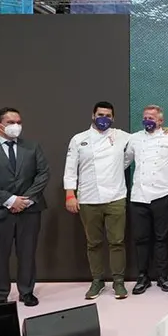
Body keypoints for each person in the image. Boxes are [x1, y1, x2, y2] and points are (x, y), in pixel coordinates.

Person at [0, 107, 49, 306]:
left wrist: (26, 199)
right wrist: (10, 200)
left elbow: (43, 174)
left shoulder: (32, 147)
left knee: (28, 253)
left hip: (29, 210)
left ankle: (27, 292)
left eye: (19, 122)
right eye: (11, 122)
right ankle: (0, 295)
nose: (16, 126)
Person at [64, 101, 131, 300]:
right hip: (87, 198)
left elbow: (138, 148)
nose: (104, 118)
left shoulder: (122, 136)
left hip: (116, 197)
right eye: (100, 114)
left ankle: (118, 282)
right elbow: (70, 168)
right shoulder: (79, 139)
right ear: (93, 115)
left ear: (113, 118)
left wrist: (167, 131)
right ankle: (97, 281)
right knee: (93, 243)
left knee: (117, 242)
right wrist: (70, 194)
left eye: (108, 115)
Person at [124, 105, 168, 295]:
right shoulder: (134, 139)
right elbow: (124, 161)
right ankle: (143, 277)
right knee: (141, 239)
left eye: (152, 118)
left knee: (162, 239)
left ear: (161, 121)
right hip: (139, 196)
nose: (148, 120)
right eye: (145, 117)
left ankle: (163, 276)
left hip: (162, 195)